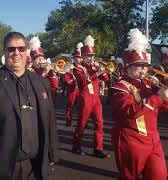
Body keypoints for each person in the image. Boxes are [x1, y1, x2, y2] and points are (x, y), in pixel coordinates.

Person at [0, 32, 57, 180]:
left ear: (26, 51)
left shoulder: (41, 83)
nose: (16, 53)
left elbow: (50, 119)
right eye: (11, 49)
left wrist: (52, 152)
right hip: (2, 165)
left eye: (21, 49)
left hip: (36, 164)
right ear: (4, 52)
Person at [109, 28, 168, 180]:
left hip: (153, 138)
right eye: (139, 65)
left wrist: (165, 96)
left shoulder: (148, 84)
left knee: (160, 176)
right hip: (131, 140)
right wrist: (156, 98)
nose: (144, 69)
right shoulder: (119, 87)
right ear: (128, 66)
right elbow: (129, 111)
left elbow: (160, 107)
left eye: (145, 65)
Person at [71, 35, 110, 158]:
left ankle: (98, 149)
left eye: (92, 56)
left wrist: (102, 71)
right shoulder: (78, 69)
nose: (91, 58)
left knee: (100, 124)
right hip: (85, 97)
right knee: (81, 123)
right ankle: (76, 146)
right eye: (88, 56)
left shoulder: (95, 66)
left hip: (96, 99)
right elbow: (83, 82)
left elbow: (106, 78)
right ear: (82, 57)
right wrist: (97, 72)